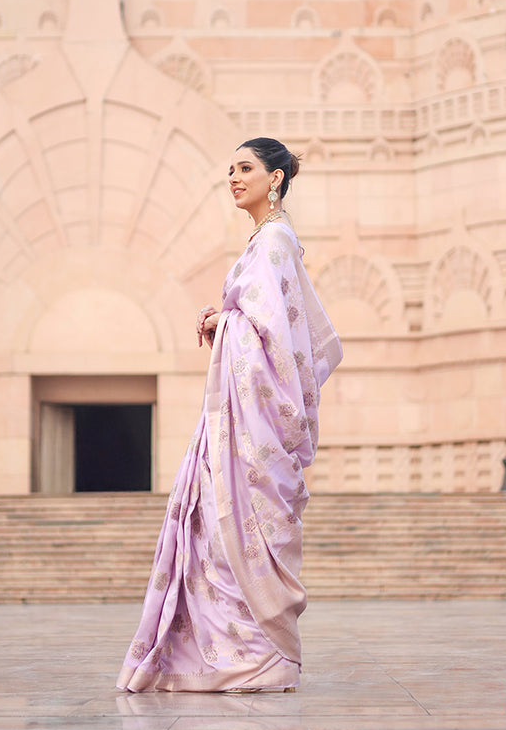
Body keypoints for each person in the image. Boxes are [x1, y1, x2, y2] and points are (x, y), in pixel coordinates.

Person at [118, 139, 342, 692]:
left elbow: (275, 337)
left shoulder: (273, 243)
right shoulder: (269, 241)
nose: (234, 178)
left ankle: (254, 659)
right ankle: (249, 657)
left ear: (277, 179)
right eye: (231, 170)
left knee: (230, 538)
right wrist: (230, 319)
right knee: (221, 539)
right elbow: (273, 327)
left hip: (255, 426)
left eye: (246, 169)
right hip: (244, 420)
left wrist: (229, 324)